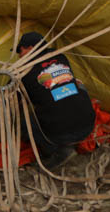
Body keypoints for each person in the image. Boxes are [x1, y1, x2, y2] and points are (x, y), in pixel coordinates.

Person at [15, 31, 96, 169]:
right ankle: (72, 134)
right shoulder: (60, 56)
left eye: (19, 50)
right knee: (77, 84)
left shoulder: (23, 72)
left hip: (62, 133)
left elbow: (12, 104)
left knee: (21, 119)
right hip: (88, 125)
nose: (18, 56)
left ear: (29, 48)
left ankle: (55, 151)